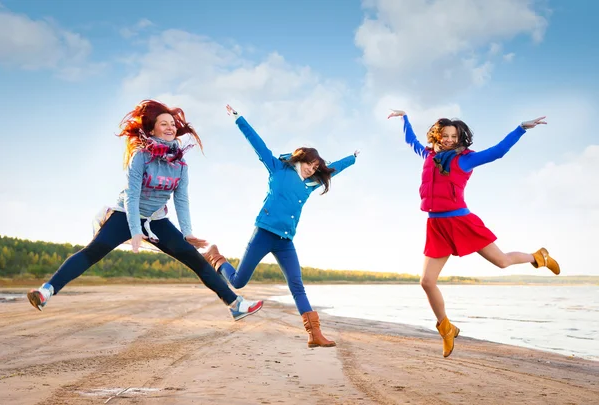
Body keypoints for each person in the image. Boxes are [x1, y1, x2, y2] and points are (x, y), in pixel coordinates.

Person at [27, 100, 263, 321]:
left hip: (157, 220)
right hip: (125, 214)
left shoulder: (180, 165)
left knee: (195, 259)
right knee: (92, 252)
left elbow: (181, 199)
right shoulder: (141, 156)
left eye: (172, 124)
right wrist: (134, 230)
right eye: (164, 124)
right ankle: (46, 291)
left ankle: (235, 305)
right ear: (152, 130)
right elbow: (132, 195)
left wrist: (187, 232)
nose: (170, 127)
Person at [388, 109, 560, 357]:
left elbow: (497, 152)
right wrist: (404, 119)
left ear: (459, 139)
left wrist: (521, 128)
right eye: (444, 135)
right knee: (426, 282)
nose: (448, 139)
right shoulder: (427, 155)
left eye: (453, 136)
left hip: (461, 221)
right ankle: (446, 328)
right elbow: (411, 141)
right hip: (436, 225)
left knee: (501, 261)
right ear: (437, 136)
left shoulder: (464, 159)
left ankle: (538, 257)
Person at [202, 104, 358, 347]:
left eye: (316, 168)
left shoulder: (311, 184)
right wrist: (238, 119)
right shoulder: (277, 168)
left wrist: (352, 159)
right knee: (239, 281)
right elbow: (258, 144)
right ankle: (217, 259)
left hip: (285, 240)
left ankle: (314, 335)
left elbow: (333, 169)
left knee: (297, 284)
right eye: (310, 164)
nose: (311, 170)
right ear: (301, 158)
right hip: (264, 232)